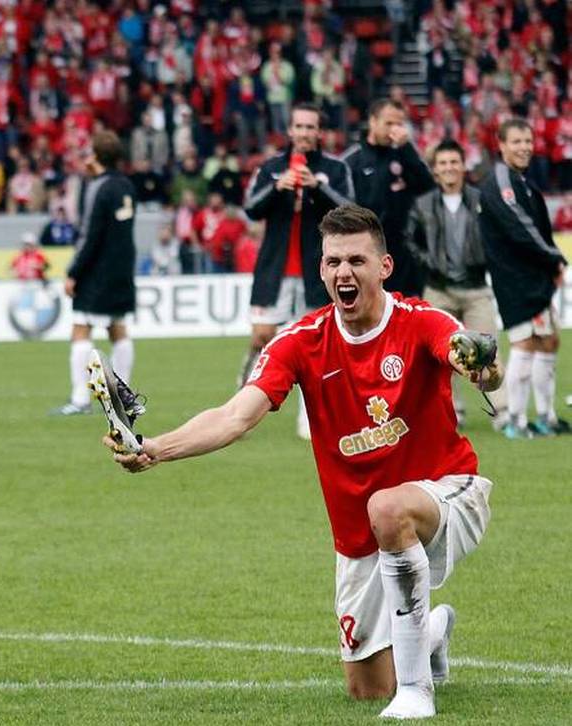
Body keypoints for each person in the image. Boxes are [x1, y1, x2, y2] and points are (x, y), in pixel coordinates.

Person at [107, 205, 502, 720]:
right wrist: (156, 448)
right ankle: (430, 631)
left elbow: (468, 357)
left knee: (387, 508)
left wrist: (483, 371)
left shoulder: (421, 320)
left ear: (384, 267)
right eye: (333, 261)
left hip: (449, 490)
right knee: (364, 688)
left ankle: (416, 692)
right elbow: (234, 417)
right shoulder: (299, 342)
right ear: (320, 270)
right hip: (361, 531)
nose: (344, 272)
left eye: (357, 260)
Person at [242, 104, 353, 438]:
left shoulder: (333, 168)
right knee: (261, 336)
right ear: (289, 131)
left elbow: (351, 209)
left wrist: (317, 187)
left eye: (311, 127)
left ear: (319, 132)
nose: (304, 133)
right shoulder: (272, 168)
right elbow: (250, 208)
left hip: (316, 272)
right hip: (274, 270)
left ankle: (310, 418)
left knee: (316, 344)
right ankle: (240, 405)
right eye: (299, 127)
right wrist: (278, 188)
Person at [404, 139, 506, 430]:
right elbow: (410, 239)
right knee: (439, 355)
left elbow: (496, 238)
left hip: (475, 287)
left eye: (454, 162)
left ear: (463, 166)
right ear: (435, 170)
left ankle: (502, 410)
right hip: (438, 288)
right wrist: (428, 261)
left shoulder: (481, 200)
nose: (449, 168)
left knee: (488, 348)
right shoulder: (422, 203)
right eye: (443, 163)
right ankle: (452, 411)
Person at [477, 120, 568, 438]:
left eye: (528, 140)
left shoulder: (522, 182)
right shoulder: (501, 180)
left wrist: (550, 263)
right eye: (516, 141)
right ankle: (516, 420)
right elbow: (520, 226)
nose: (525, 147)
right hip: (515, 279)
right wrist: (554, 257)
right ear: (500, 144)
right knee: (525, 342)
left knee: (549, 340)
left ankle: (545, 416)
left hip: (533, 276)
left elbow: (536, 229)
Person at [57, 130, 138, 416]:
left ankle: (80, 400)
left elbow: (90, 234)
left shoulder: (98, 188)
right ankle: (124, 395)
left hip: (98, 272)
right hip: (123, 269)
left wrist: (74, 272)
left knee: (81, 329)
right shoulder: (126, 186)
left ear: (96, 156)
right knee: (118, 329)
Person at [342, 98, 435, 297]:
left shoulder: (404, 155)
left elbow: (428, 187)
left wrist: (407, 148)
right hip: (365, 251)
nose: (394, 129)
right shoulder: (352, 160)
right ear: (373, 121)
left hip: (403, 254)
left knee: (406, 318)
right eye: (389, 123)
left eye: (399, 124)